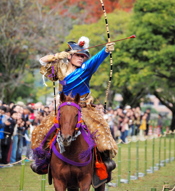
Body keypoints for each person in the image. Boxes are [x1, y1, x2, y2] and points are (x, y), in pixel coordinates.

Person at [31, 36, 117, 176]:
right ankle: (44, 161)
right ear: (70, 56)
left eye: (83, 56)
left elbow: (96, 59)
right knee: (41, 132)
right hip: (63, 108)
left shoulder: (86, 69)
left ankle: (104, 160)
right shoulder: (60, 67)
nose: (81, 58)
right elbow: (42, 61)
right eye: (78, 55)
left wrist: (105, 50)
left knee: (102, 131)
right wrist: (57, 56)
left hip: (84, 108)